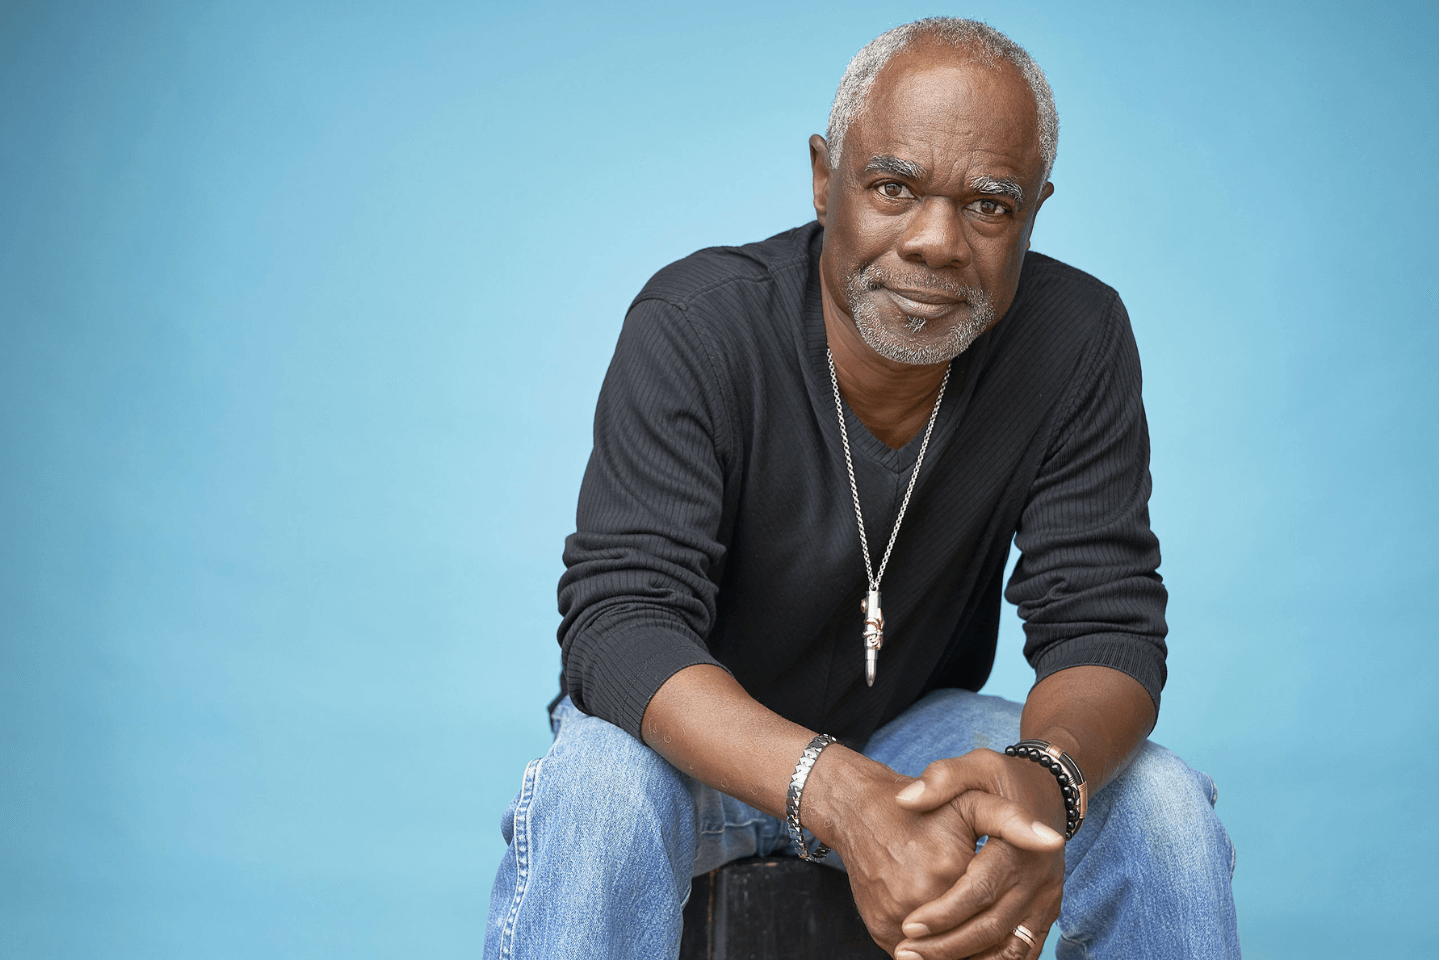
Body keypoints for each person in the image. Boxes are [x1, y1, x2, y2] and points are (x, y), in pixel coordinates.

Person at [483, 17, 1239, 960]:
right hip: (685, 757)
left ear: (1036, 211)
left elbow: (1105, 623)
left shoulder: (1073, 339)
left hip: (910, 744)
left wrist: (1044, 780)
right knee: (594, 785)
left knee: (1158, 802)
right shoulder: (697, 326)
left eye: (990, 207)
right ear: (821, 176)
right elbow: (621, 626)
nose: (936, 242)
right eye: (892, 187)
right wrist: (834, 791)